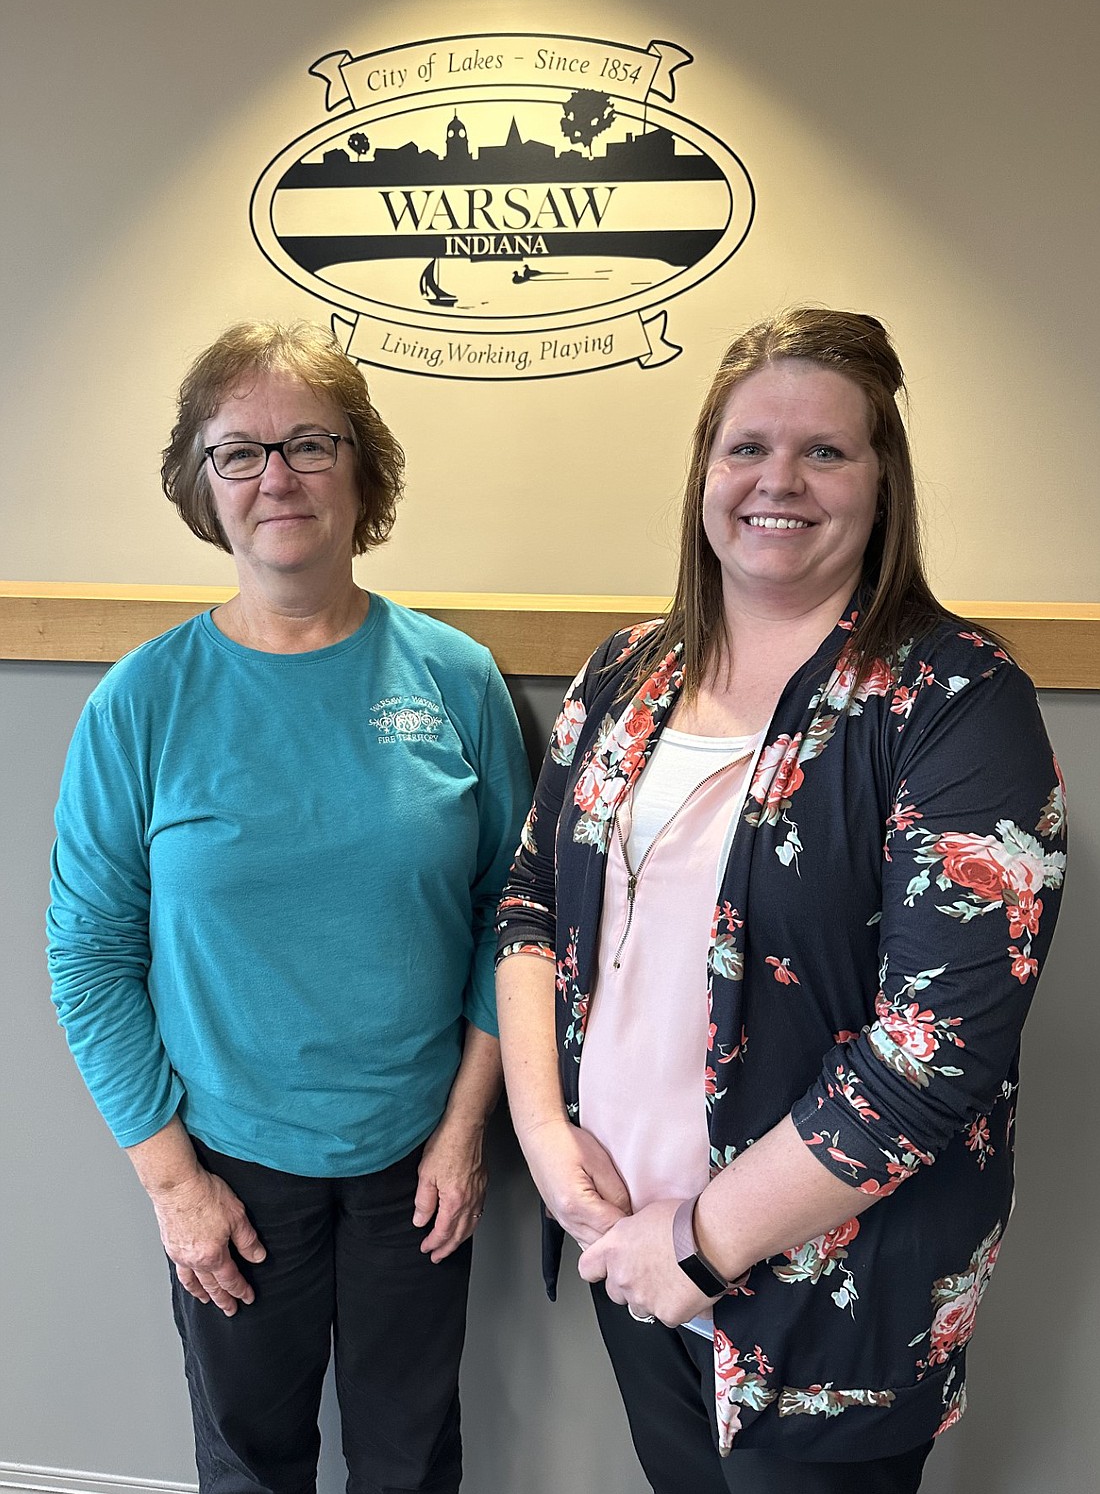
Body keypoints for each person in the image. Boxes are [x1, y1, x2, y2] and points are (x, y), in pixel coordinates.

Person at [496, 308, 1066, 1494]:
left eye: (824, 451)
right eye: (746, 446)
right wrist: (548, 1143)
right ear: (704, 471)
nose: (778, 481)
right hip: (621, 1240)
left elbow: (933, 1054)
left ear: (880, 480)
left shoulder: (955, 698)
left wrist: (698, 1248)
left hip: (826, 1298)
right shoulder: (624, 672)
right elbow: (531, 903)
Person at [47, 320, 531, 1494]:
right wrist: (174, 1186)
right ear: (199, 484)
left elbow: (514, 922)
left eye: (310, 444)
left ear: (361, 469)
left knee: (411, 1459)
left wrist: (468, 1131)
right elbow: (89, 958)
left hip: (419, 1156)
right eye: (239, 451)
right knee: (251, 1463)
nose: (277, 477)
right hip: (228, 1162)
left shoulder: (454, 678)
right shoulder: (141, 703)